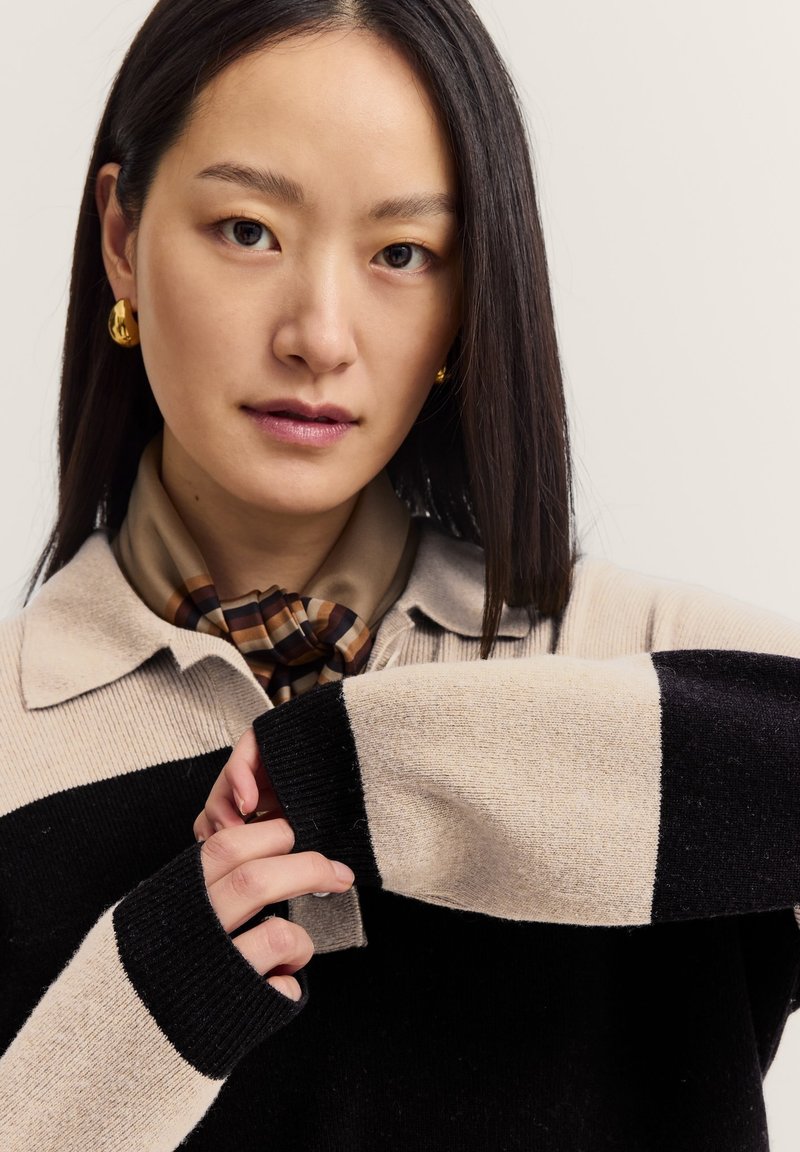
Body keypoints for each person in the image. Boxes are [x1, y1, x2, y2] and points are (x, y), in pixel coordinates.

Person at [0, 1, 799, 1149]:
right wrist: (152, 1000)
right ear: (122, 236)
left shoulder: (651, 663)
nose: (319, 336)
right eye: (247, 230)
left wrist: (372, 767)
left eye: (400, 254)